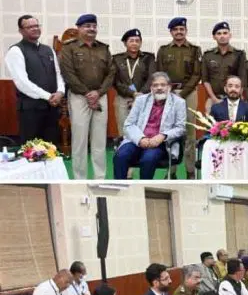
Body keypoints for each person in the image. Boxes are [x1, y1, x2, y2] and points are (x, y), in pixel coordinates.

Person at [59, 13, 114, 180]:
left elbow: (111, 72)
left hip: (100, 96)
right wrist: (87, 93)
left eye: (94, 26)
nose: (91, 29)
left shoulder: (103, 48)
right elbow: (68, 73)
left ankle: (100, 177)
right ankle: (79, 178)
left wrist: (98, 92)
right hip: (79, 97)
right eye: (87, 26)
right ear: (79, 28)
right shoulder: (69, 48)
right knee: (80, 140)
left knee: (99, 141)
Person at [113, 71, 186, 180]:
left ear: (169, 87)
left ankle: (143, 188)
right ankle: (120, 187)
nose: (159, 88)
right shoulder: (141, 100)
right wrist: (140, 139)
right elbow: (129, 124)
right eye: (155, 85)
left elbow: (180, 128)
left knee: (148, 159)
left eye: (163, 85)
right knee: (121, 155)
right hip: (138, 140)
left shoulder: (179, 102)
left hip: (161, 143)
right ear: (151, 88)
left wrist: (163, 136)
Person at [5, 15, 64, 145]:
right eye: (30, 27)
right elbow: (22, 83)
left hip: (52, 108)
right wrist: (48, 96)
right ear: (21, 31)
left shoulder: (48, 50)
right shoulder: (16, 50)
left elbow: (58, 74)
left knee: (52, 148)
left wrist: (60, 92)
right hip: (30, 109)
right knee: (31, 150)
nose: (35, 29)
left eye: (36, 26)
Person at [156, 17, 202, 179]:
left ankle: (190, 171)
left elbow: (197, 74)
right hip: (168, 94)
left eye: (182, 29)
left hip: (189, 93)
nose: (179, 32)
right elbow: (160, 73)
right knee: (169, 131)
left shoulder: (195, 50)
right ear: (171, 32)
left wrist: (182, 94)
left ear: (186, 31)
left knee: (190, 133)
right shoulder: (163, 50)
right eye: (175, 29)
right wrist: (168, 92)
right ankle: (171, 170)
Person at [112, 28, 155, 139]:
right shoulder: (117, 59)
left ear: (141, 43)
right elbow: (116, 81)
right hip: (123, 98)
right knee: (124, 130)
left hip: (144, 98)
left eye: (137, 41)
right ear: (125, 43)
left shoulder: (149, 58)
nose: (134, 43)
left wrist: (140, 95)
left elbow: (151, 78)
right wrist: (132, 93)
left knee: (143, 131)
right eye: (131, 41)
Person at [202, 21, 247, 114]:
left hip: (234, 100)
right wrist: (214, 99)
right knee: (210, 123)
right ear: (214, 37)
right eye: (219, 33)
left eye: (225, 33)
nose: (222, 36)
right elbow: (205, 80)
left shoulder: (239, 54)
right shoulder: (208, 55)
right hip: (213, 99)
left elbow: (242, 78)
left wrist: (238, 97)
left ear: (230, 35)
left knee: (234, 123)